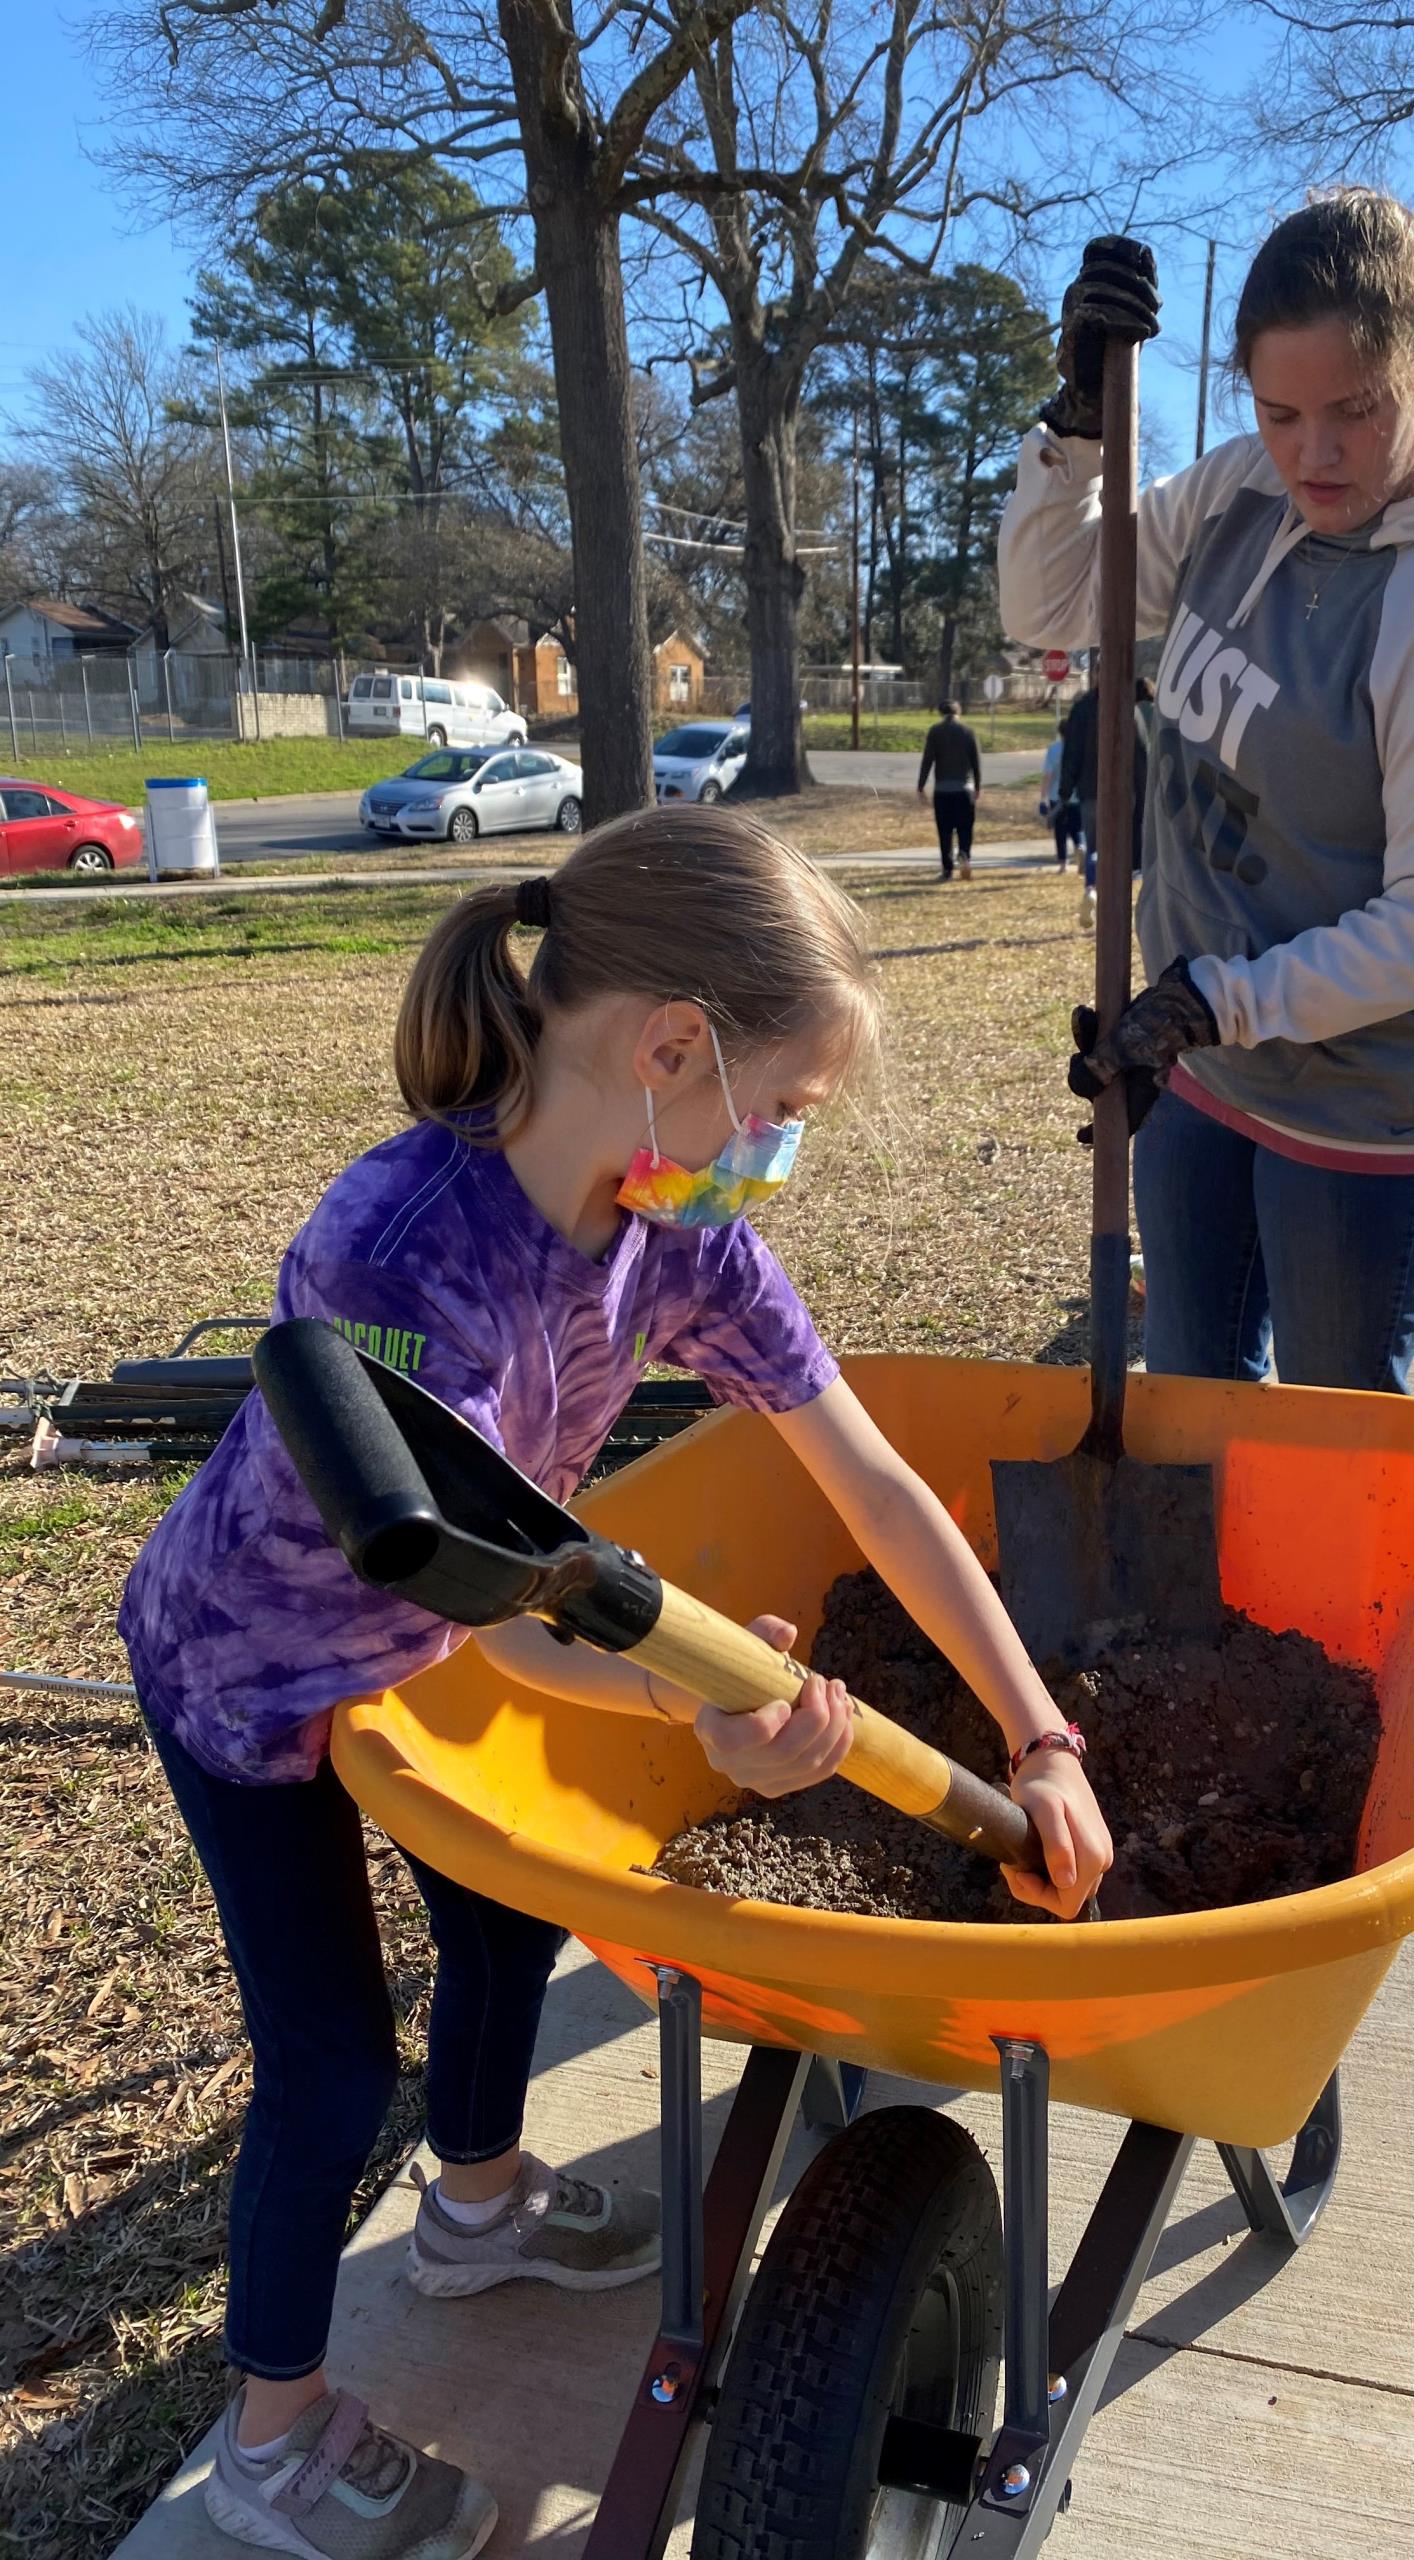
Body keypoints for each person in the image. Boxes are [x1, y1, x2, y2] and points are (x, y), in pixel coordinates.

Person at [119, 809, 1111, 2558]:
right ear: (671, 1050)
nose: (781, 1151)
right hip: (253, 1676)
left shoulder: (681, 1236)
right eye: (782, 1112)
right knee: (334, 2062)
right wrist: (695, 1711)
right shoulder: (400, 1254)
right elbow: (471, 1592)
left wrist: (1037, 1730)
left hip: (418, 1655)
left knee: (504, 1929)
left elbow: (872, 1485)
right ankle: (274, 2440)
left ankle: (481, 2205)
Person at [999, 196, 1414, 1392]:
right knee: (1193, 1385)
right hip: (1206, 1049)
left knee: (1327, 1425)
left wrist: (1214, 1001)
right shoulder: (1245, 487)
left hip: (1379, 1094)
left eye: (1355, 410)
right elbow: (1054, 610)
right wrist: (1081, 434)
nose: (1312, 453)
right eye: (1279, 411)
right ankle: (1196, 1589)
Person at [1059, 668, 1154, 930]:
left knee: (1096, 846)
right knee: (1120, 848)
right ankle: (1114, 901)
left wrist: (1065, 791)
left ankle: (1092, 887)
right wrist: (1145, 793)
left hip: (1090, 791)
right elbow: (1141, 755)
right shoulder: (1129, 710)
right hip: (1125, 794)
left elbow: (1072, 752)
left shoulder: (1082, 710)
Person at [916, 697, 982, 879]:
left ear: (941, 712)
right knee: (965, 827)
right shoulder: (968, 732)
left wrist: (920, 785)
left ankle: (947, 869)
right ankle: (964, 855)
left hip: (942, 790)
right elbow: (976, 762)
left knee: (944, 830)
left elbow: (927, 760)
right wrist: (977, 785)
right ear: (958, 712)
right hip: (964, 789)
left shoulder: (935, 732)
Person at [1039, 714, 1083, 872]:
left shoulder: (1053, 750)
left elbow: (1048, 775)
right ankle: (1080, 850)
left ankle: (1063, 863)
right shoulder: (1079, 748)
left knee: (1060, 831)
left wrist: (1043, 798)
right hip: (1076, 796)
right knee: (1077, 828)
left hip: (1056, 797)